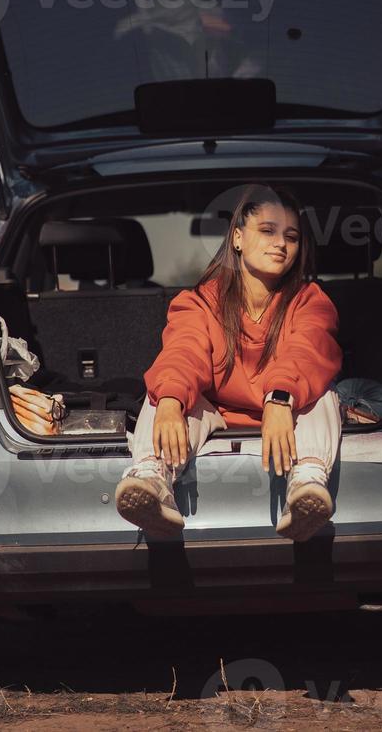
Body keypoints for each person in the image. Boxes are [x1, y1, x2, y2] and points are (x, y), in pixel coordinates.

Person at [115, 184, 343, 542]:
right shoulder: (200, 302)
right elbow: (183, 350)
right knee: (162, 396)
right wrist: (173, 399)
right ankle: (151, 480)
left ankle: (307, 488)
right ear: (237, 238)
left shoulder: (310, 301)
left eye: (292, 236)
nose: (281, 244)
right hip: (216, 410)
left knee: (322, 394)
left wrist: (280, 398)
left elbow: (308, 349)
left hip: (287, 415)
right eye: (267, 231)